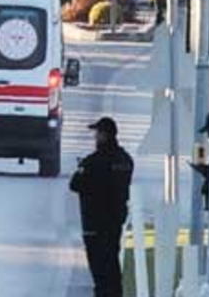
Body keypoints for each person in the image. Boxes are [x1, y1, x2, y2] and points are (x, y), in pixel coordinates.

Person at [70, 117, 134, 297]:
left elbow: (75, 184)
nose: (95, 137)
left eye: (97, 133)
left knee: (100, 274)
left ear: (105, 135)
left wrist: (82, 168)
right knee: (112, 269)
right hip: (114, 224)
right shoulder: (125, 160)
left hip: (94, 225)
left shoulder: (93, 162)